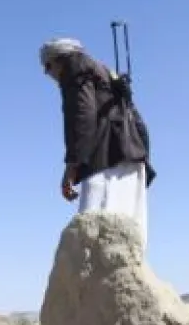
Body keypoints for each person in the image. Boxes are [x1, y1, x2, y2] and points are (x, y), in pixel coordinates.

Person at [38, 37, 157, 245]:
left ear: (58, 60)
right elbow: (137, 120)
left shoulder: (75, 68)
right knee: (128, 238)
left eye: (47, 67)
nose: (48, 75)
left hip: (108, 161)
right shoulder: (105, 73)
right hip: (133, 157)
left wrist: (72, 165)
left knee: (91, 234)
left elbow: (81, 115)